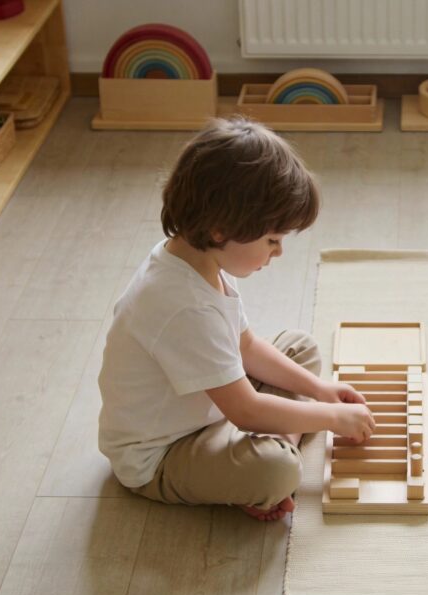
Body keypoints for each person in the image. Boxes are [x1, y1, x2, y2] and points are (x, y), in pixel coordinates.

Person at [98, 118, 375, 521]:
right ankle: (260, 466)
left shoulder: (198, 260)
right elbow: (245, 409)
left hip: (213, 408)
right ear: (220, 229)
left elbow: (245, 346)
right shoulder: (184, 306)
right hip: (165, 453)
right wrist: (331, 417)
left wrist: (320, 390)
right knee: (278, 470)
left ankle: (263, 449)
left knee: (300, 348)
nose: (278, 252)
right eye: (272, 240)